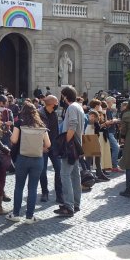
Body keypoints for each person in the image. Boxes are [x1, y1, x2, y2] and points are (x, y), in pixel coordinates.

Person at [6, 102, 50, 223]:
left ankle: (15, 214)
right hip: (37, 159)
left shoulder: (19, 122)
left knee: (19, 186)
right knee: (33, 188)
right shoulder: (41, 124)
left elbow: (14, 140)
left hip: (22, 158)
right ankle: (30, 216)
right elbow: (48, 144)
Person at [54, 86, 85, 217]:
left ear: (65, 96)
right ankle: (76, 203)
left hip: (71, 146)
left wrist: (65, 142)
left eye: (62, 96)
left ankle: (68, 205)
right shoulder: (79, 107)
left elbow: (72, 125)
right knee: (75, 175)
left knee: (65, 175)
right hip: (77, 145)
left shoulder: (72, 107)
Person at [38, 95, 63, 203]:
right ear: (52, 104)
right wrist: (41, 146)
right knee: (42, 171)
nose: (58, 104)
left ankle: (59, 194)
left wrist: (57, 145)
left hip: (54, 146)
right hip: (43, 148)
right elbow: (37, 132)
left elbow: (56, 131)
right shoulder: (39, 114)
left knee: (59, 169)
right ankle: (45, 192)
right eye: (56, 103)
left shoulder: (54, 114)